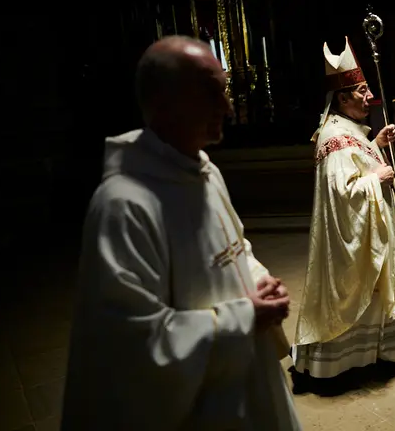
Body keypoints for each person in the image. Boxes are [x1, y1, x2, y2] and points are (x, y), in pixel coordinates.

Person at [61, 35, 301, 431]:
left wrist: (259, 279)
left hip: (247, 379)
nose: (227, 107)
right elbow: (133, 348)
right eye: (212, 94)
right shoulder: (124, 206)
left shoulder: (205, 172)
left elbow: (233, 247)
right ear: (164, 102)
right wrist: (244, 316)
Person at [291, 37, 395, 392]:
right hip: (351, 243)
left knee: (380, 292)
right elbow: (341, 194)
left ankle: (389, 349)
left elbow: (356, 160)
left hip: (372, 235)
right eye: (362, 90)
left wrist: (375, 146)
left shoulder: (349, 131)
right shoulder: (334, 138)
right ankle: (343, 361)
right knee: (363, 292)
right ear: (342, 98)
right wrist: (376, 178)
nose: (370, 96)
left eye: (368, 88)